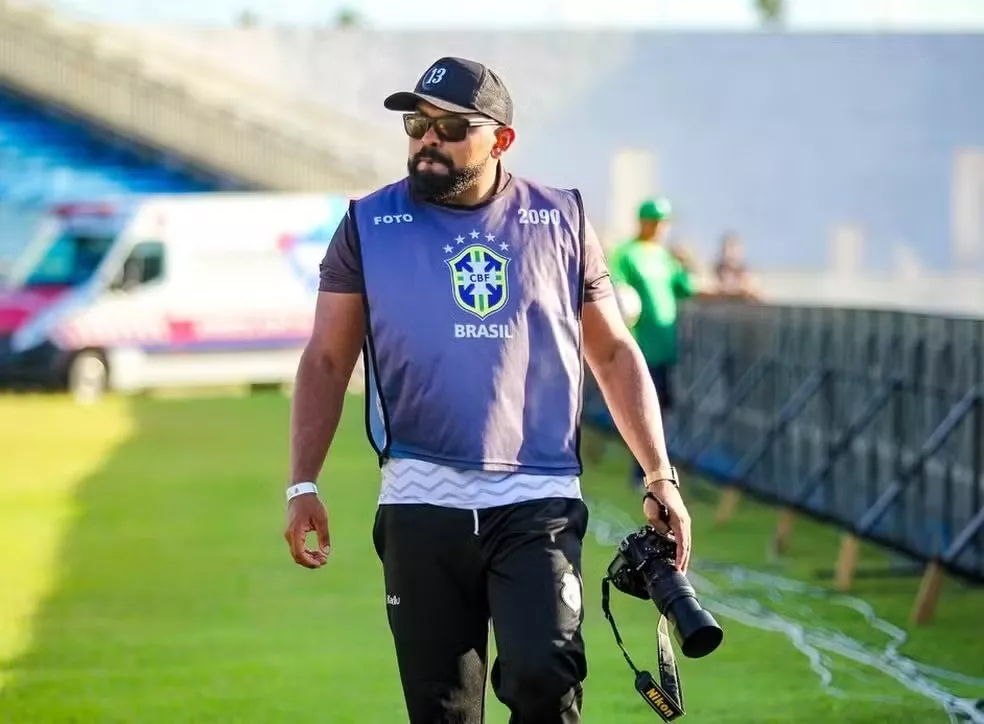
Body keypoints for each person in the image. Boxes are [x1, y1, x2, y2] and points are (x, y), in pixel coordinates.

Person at [283, 56, 692, 724]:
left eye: (450, 127)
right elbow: (327, 360)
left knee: (545, 679)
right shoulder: (367, 224)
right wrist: (303, 483)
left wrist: (658, 473)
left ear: (500, 139)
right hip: (419, 500)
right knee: (443, 713)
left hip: (537, 499)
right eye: (417, 124)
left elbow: (614, 351)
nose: (427, 139)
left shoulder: (562, 219)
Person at [607, 197, 711, 488]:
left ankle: (655, 469)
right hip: (640, 346)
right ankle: (641, 472)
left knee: (661, 408)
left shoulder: (665, 257)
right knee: (642, 408)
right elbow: (614, 288)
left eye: (665, 222)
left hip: (665, 346)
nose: (661, 227)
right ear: (644, 221)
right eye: (656, 221)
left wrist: (690, 262)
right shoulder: (627, 254)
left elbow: (688, 288)